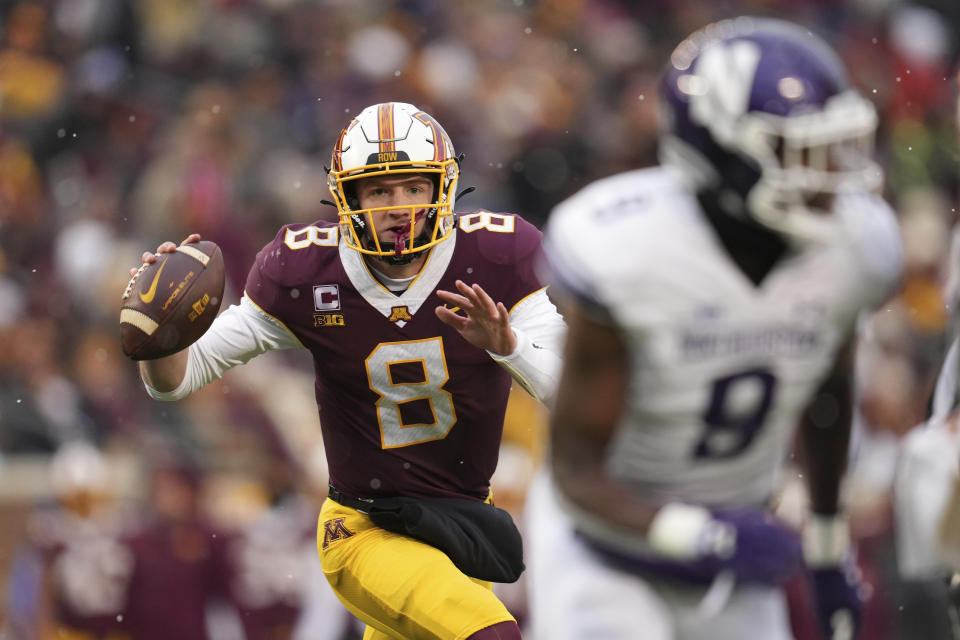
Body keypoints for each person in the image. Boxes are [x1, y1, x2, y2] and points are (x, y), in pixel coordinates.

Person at [525, 17, 902, 640]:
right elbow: (575, 472)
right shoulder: (629, 249)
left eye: (831, 148)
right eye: (796, 151)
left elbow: (825, 389)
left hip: (733, 540)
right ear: (723, 152)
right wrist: (700, 533)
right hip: (603, 548)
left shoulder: (853, 248)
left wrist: (828, 543)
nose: (830, 178)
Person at [130, 101, 565, 640]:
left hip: (463, 528)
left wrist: (509, 346)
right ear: (349, 198)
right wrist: (160, 335)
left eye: (413, 187)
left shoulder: (498, 256)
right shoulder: (305, 271)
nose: (398, 205)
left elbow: (570, 393)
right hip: (365, 530)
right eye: (379, 190)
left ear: (441, 190)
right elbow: (180, 380)